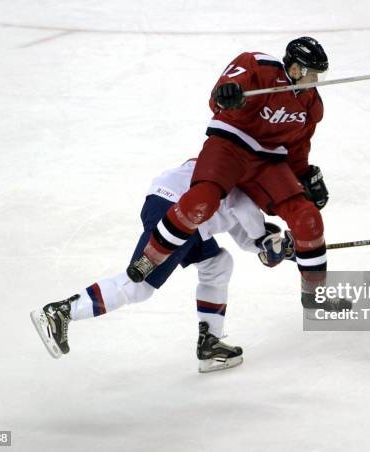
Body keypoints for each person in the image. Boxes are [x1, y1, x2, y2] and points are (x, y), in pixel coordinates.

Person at [30, 159, 293, 373]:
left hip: (179, 211)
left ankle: (210, 344)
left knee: (218, 263)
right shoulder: (248, 181)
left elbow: (244, 233)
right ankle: (62, 311)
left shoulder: (246, 179)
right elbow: (244, 212)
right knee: (139, 286)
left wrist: (275, 248)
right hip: (177, 213)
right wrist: (269, 243)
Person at [127, 37, 330, 307]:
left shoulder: (310, 104)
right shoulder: (257, 64)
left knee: (307, 217)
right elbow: (218, 99)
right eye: (312, 73)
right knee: (202, 200)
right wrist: (227, 94)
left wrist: (303, 175)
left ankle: (315, 295)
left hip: (268, 161)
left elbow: (298, 146)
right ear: (295, 69)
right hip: (230, 145)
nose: (316, 80)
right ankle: (150, 256)